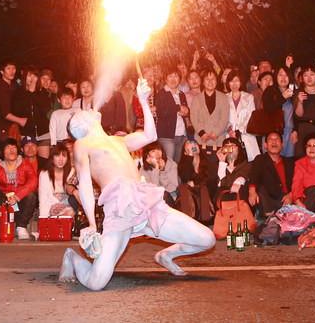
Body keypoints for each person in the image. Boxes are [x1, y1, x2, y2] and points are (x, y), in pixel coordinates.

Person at [58, 78, 216, 292]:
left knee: (207, 239)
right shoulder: (82, 144)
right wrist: (92, 225)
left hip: (146, 203)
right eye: (86, 112)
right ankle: (72, 258)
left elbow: (150, 135)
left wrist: (142, 100)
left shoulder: (118, 140)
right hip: (120, 209)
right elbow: (84, 183)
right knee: (96, 282)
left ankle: (166, 255)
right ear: (81, 124)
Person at [0, 139, 38, 240]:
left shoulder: (25, 163)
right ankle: (1, 226)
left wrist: (17, 196)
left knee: (31, 195)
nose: (12, 150)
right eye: (8, 147)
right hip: (4, 202)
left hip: (19, 201)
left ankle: (21, 227)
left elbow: (33, 182)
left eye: (14, 147)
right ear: (2, 151)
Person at [8, 68, 52, 159]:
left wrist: (33, 93)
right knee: (29, 163)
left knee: (44, 162)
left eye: (34, 75)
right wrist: (29, 93)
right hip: (27, 133)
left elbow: (45, 109)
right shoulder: (18, 93)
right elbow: (17, 110)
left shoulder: (42, 92)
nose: (32, 78)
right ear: (24, 77)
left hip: (43, 132)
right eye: (29, 75)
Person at [188, 68, 229, 154]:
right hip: (200, 139)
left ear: (216, 81)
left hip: (218, 139)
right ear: (203, 82)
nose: (210, 82)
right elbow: (194, 117)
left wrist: (216, 132)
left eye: (213, 79)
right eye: (207, 79)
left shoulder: (224, 98)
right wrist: (202, 133)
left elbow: (224, 118)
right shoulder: (197, 99)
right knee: (200, 165)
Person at [154, 69, 189, 163]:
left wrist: (186, 111)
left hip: (181, 134)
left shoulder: (181, 94)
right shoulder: (161, 93)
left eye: (176, 76)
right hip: (167, 135)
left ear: (180, 79)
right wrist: (178, 107)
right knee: (168, 163)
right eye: (170, 76)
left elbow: (184, 111)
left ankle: (175, 178)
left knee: (177, 163)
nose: (173, 79)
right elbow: (161, 112)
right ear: (165, 79)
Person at [177, 138, 215, 222]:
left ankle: (206, 219)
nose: (192, 145)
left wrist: (195, 182)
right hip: (191, 195)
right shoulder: (183, 165)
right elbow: (185, 177)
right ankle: (189, 220)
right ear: (185, 152)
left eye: (194, 143)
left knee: (202, 188)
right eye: (189, 144)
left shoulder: (208, 162)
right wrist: (190, 156)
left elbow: (211, 179)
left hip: (207, 193)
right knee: (184, 188)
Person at [224, 69, 259, 160]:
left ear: (241, 82)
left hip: (246, 135)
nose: (234, 84)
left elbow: (250, 116)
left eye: (237, 80)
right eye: (231, 81)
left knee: (249, 162)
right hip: (229, 135)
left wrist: (239, 131)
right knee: (230, 162)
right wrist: (229, 130)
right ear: (228, 83)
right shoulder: (224, 98)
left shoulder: (249, 97)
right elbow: (222, 117)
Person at [39, 142, 79, 219]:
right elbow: (43, 199)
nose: (61, 159)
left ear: (67, 158)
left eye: (64, 156)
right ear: (52, 157)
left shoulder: (72, 172)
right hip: (52, 205)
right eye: (57, 155)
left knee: (70, 210)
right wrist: (43, 220)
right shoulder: (44, 174)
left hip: (70, 205)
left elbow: (78, 194)